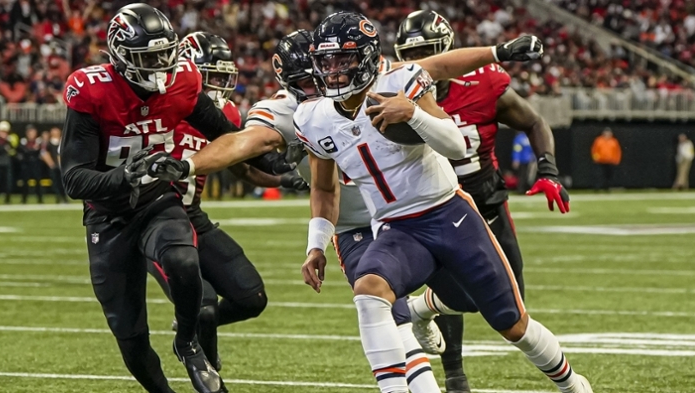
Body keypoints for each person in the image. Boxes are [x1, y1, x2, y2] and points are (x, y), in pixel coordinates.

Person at [294, 11, 591, 393]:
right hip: (396, 227)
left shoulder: (400, 82)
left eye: (343, 60)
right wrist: (315, 244)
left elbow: (456, 144)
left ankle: (572, 385)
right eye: (326, 61)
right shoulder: (312, 118)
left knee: (513, 324)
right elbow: (323, 188)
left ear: (366, 57)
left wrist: (413, 113)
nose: (333, 71)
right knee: (369, 290)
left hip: (448, 213)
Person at [56, 4, 290, 392]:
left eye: (166, 55)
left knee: (182, 258)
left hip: (157, 202)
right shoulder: (92, 90)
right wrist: (122, 176)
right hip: (108, 217)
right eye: (150, 58)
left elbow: (224, 132)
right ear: (121, 54)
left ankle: (187, 341)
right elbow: (75, 180)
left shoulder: (182, 80)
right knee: (129, 335)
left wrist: (276, 163)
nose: (161, 66)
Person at [392, 10, 570, 393]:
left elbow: (534, 122)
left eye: (426, 52)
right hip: (435, 206)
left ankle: (422, 307)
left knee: (509, 301)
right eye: (410, 54)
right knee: (460, 287)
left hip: (486, 198)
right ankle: (455, 374)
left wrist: (548, 170)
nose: (417, 63)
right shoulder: (393, 92)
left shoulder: (483, 83)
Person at [145, 31, 308, 375]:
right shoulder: (165, 103)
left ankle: (188, 330)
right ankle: (208, 367)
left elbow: (243, 168)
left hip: (193, 215)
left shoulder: (226, 112)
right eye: (212, 76)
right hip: (153, 219)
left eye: (223, 76)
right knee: (202, 304)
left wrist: (284, 179)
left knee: (251, 298)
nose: (219, 85)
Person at [40, 127, 68, 203]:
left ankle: (64, 198)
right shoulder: (48, 143)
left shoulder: (63, 142)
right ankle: (58, 197)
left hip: (62, 166)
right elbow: (44, 153)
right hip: (53, 166)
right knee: (55, 183)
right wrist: (51, 164)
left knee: (63, 183)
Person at [19, 124, 44, 204]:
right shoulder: (23, 141)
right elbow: (24, 151)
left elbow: (38, 151)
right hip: (26, 163)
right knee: (25, 181)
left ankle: (40, 199)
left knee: (38, 181)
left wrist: (31, 150)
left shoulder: (38, 141)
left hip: (36, 163)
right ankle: (24, 199)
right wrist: (33, 150)